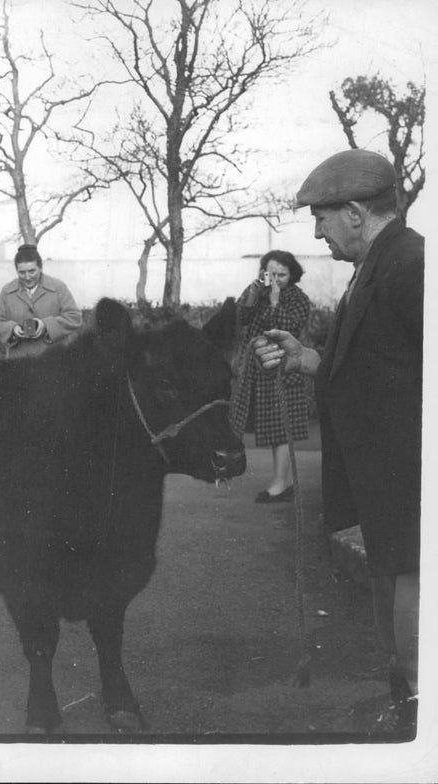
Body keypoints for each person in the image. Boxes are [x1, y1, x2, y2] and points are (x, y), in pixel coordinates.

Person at [253, 149, 423, 732]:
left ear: (354, 212)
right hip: (385, 471)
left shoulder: (413, 264)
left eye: (321, 219)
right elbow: (370, 365)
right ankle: (406, 699)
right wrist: (304, 358)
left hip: (408, 468)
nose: (317, 232)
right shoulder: (378, 265)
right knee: (392, 572)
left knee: (409, 577)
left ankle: (420, 711)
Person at [230, 250, 311, 503]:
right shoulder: (257, 292)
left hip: (282, 370)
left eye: (282, 274)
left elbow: (289, 328)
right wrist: (253, 296)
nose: (276, 279)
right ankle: (281, 481)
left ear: (292, 274)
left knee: (281, 429)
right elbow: (239, 319)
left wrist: (275, 301)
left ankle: (279, 484)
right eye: (271, 273)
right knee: (264, 426)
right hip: (255, 371)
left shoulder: (298, 298)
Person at [0, 243, 82, 358]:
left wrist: (45, 325)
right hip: (18, 360)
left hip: (53, 359)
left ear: (40, 268)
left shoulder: (58, 287)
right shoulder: (7, 291)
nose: (27, 277)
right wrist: (13, 329)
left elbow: (74, 317)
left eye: (32, 271)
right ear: (16, 270)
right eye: (22, 272)